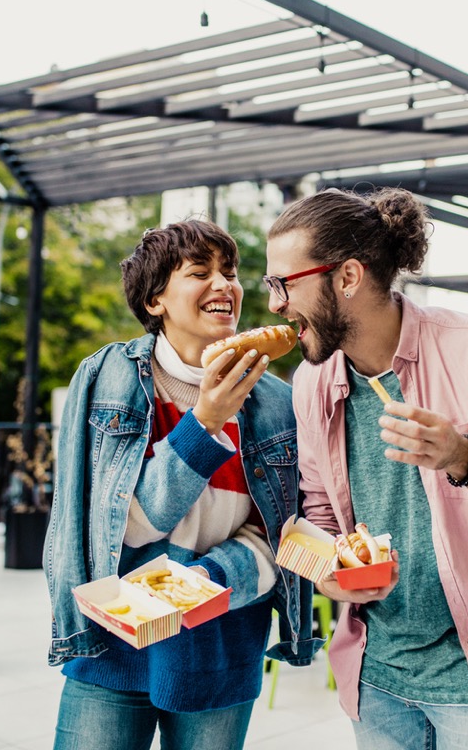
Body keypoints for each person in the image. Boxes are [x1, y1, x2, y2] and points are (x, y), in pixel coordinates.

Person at [264, 188, 468, 749]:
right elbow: (318, 517)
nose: (275, 304)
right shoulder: (313, 382)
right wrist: (327, 571)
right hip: (376, 676)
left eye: (284, 283)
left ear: (347, 277)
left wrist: (465, 458)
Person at [45, 219, 320, 750]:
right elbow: (120, 526)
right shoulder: (106, 380)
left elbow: (284, 535)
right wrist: (205, 423)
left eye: (231, 273)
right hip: (112, 648)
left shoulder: (277, 404)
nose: (225, 286)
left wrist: (208, 578)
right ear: (155, 300)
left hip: (219, 647)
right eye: (200, 272)